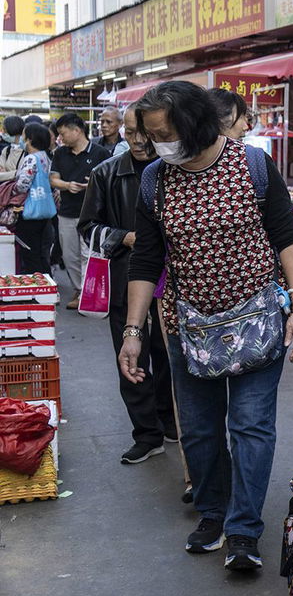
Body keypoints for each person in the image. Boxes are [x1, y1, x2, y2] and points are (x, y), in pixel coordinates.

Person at [120, 81, 293, 573]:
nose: (155, 144)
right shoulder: (155, 181)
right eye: (150, 136)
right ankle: (212, 513)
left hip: (259, 322)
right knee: (201, 432)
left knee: (249, 427)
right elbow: (146, 259)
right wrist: (133, 332)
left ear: (194, 123)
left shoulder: (252, 166)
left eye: (162, 133)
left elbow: (286, 236)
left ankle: (244, 530)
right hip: (190, 329)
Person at [78, 108, 178, 465]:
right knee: (131, 355)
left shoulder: (174, 169)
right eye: (131, 133)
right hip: (125, 281)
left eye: (144, 134)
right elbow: (87, 227)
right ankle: (146, 433)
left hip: (173, 284)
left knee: (169, 356)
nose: (137, 141)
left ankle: (170, 422)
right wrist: (127, 238)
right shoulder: (106, 173)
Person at [51, 112, 110, 308]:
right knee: (69, 256)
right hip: (67, 212)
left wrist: (92, 186)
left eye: (63, 133)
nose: (61, 138)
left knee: (89, 255)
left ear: (77, 131)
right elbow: (53, 179)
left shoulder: (100, 153)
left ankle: (88, 294)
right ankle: (80, 290)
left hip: (93, 214)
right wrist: (67, 185)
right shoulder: (59, 153)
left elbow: (108, 181)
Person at [10, 123, 55, 273]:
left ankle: (36, 288)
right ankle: (47, 285)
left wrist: (11, 189)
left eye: (24, 136)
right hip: (44, 210)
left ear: (30, 139)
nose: (22, 140)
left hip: (30, 211)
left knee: (30, 252)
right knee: (42, 252)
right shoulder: (45, 157)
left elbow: (23, 185)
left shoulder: (31, 159)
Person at [0, 115, 27, 181]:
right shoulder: (6, 150)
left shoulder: (27, 151)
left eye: (4, 129)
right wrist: (15, 173)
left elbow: (24, 175)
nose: (2, 132)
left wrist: (6, 174)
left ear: (12, 129)